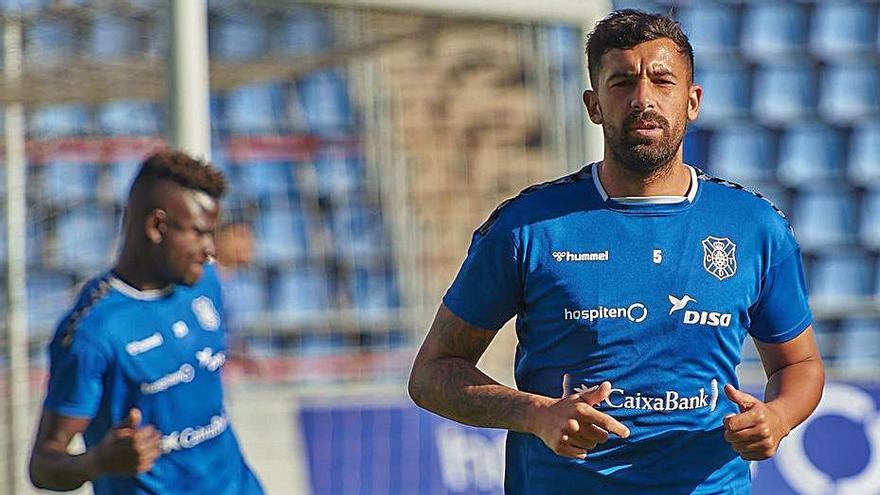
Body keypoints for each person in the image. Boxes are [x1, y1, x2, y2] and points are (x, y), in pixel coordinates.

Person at [408, 9, 824, 494]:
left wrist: (778, 416)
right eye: (623, 82)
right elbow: (432, 374)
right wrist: (535, 413)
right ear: (594, 105)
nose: (644, 98)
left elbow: (799, 365)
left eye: (662, 81)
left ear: (692, 101)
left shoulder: (754, 227)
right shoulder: (528, 227)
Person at [29, 150, 264, 494]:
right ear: (157, 227)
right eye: (199, 233)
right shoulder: (93, 335)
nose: (210, 249)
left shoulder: (205, 283)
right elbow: (42, 466)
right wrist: (99, 462)